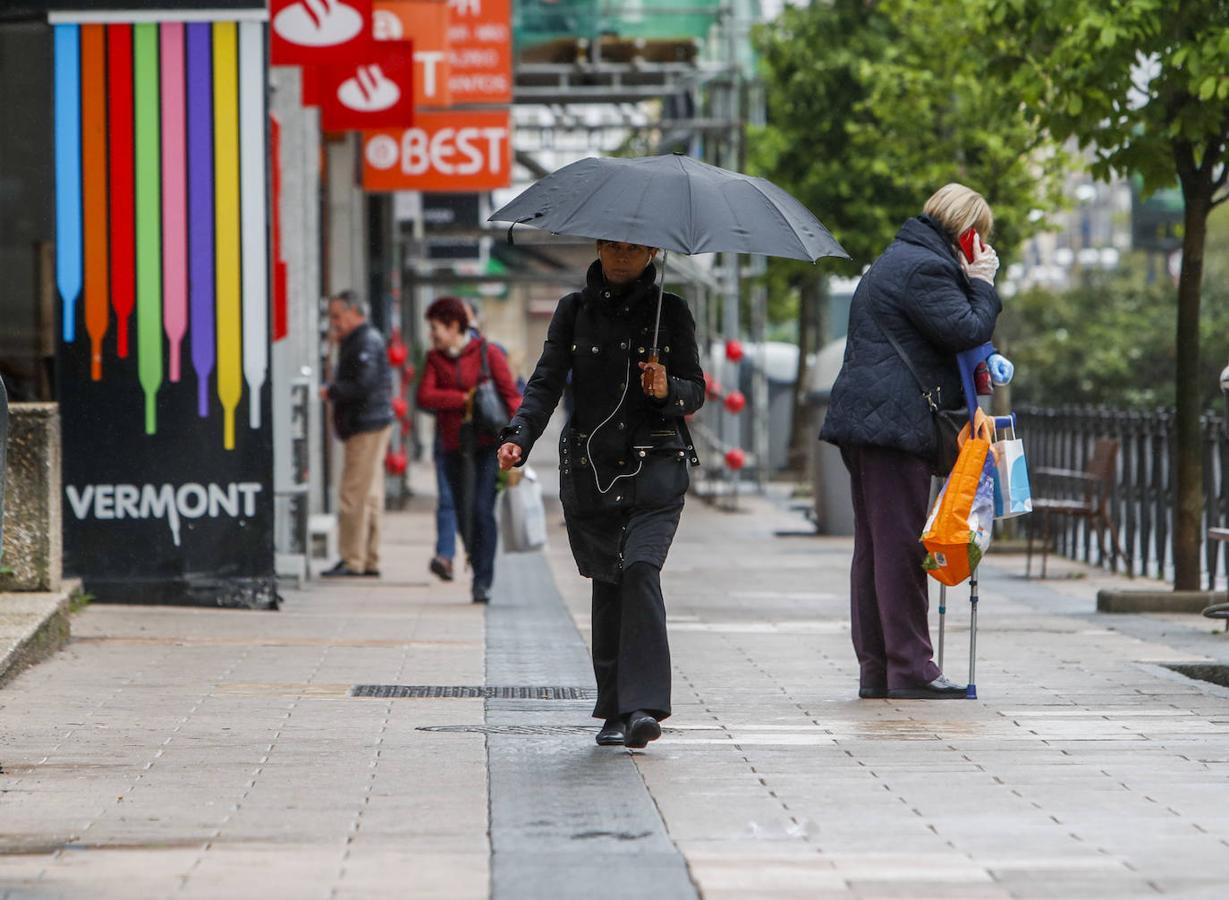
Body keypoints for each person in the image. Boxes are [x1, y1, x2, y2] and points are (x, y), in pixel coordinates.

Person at [497, 240, 705, 749]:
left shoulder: (670, 311)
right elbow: (545, 382)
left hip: (656, 469)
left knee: (639, 569)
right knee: (608, 580)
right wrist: (519, 436)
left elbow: (695, 388)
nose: (620, 256)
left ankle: (644, 707)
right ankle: (614, 708)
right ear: (597, 245)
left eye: (633, 248)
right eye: (612, 245)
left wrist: (666, 390)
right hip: (592, 470)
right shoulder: (572, 311)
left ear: (653, 252)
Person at [820, 183, 1013, 700]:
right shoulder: (926, 268)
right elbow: (965, 325)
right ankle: (911, 668)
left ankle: (880, 668)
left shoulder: (899, 258)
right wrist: (982, 282)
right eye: (980, 238)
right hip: (892, 427)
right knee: (901, 547)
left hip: (872, 422)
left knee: (877, 548)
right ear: (968, 234)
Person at [416, 297, 522, 604]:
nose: (432, 334)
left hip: (488, 447)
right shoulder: (435, 359)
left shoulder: (488, 354)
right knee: (463, 514)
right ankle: (477, 565)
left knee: (481, 510)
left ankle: (483, 580)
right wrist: (464, 399)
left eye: (436, 328)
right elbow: (425, 396)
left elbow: (512, 397)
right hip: (454, 448)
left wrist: (517, 439)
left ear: (453, 326)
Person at [320, 290, 394, 578]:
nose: (334, 322)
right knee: (370, 494)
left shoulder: (364, 341)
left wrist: (331, 391)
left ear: (354, 313)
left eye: (338, 316)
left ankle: (352, 558)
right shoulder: (361, 340)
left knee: (352, 493)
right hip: (373, 422)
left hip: (365, 425)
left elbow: (363, 383)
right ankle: (368, 557)